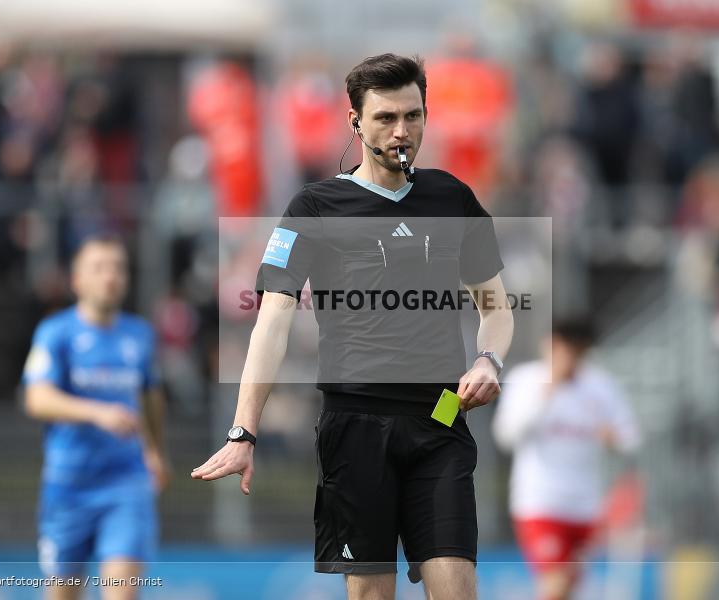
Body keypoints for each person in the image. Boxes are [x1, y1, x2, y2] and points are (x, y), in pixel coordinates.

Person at [192, 53, 514, 600]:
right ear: (355, 123)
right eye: (386, 118)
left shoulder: (452, 198)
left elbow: (497, 309)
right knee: (370, 594)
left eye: (413, 116)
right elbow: (271, 321)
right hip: (355, 424)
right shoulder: (315, 206)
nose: (401, 130)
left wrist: (489, 359)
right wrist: (243, 430)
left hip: (440, 418)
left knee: (457, 587)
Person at [22, 235, 168, 600]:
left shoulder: (140, 335)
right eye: (99, 268)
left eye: (118, 267)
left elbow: (151, 397)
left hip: (125, 483)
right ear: (77, 280)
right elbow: (37, 398)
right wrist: (97, 412)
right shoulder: (56, 333)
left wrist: (153, 449)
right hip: (67, 485)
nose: (110, 276)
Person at [492, 319, 640, 600]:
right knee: (554, 584)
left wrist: (614, 438)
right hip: (540, 503)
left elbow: (630, 436)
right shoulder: (527, 380)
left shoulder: (600, 386)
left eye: (576, 351)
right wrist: (545, 396)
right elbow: (507, 434)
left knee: (568, 587)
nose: (568, 357)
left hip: (585, 507)